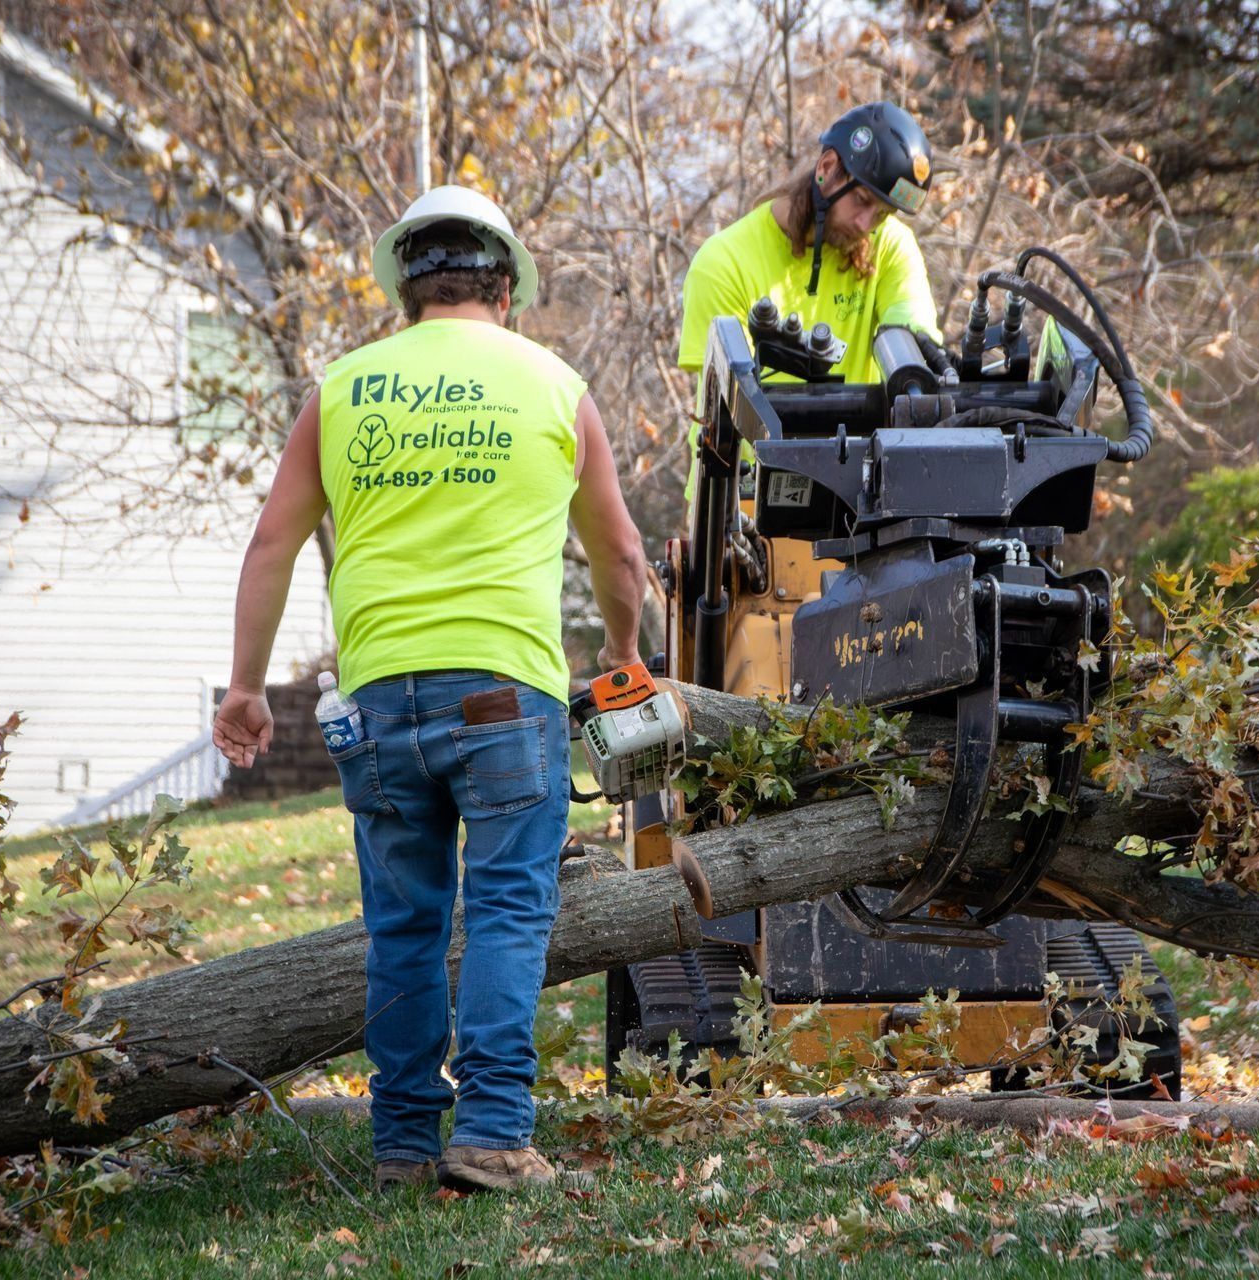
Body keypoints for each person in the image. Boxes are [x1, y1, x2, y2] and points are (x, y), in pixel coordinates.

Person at [212, 185, 647, 1197]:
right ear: (504, 281)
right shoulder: (552, 384)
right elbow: (621, 553)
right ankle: (492, 1130)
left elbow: (271, 542)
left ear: (406, 285)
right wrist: (622, 655)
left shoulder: (342, 388)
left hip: (373, 705)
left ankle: (404, 1142)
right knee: (505, 910)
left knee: (404, 923)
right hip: (504, 695)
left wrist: (245, 685)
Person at [678, 100, 941, 391]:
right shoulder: (722, 264)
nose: (865, 225)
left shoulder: (890, 245)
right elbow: (728, 407)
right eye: (862, 201)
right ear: (826, 168)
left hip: (856, 437)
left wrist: (917, 359)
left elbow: (915, 334)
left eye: (882, 214)